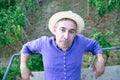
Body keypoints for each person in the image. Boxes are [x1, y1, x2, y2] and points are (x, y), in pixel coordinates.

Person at [20, 11, 105, 80]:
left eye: (71, 31)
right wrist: (23, 66)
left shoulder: (80, 41)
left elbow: (95, 45)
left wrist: (100, 60)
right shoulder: (44, 43)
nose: (66, 36)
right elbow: (26, 48)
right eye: (62, 30)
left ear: (75, 33)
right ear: (54, 30)